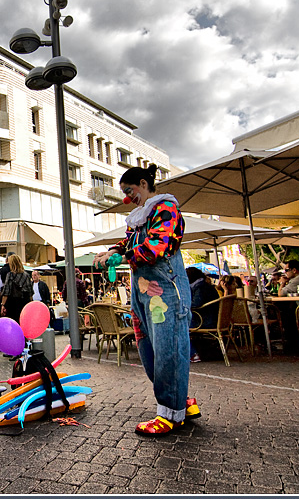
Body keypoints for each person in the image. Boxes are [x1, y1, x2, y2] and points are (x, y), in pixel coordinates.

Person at [93, 163, 197, 436]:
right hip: (143, 295)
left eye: (129, 191)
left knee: (169, 350)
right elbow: (128, 244)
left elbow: (158, 246)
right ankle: (180, 400)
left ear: (142, 183)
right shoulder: (138, 216)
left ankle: (171, 414)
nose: (128, 198)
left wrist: (122, 257)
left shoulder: (166, 208)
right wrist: (110, 252)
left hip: (166, 293)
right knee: (149, 352)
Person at [186, 267, 220, 363]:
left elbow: (196, 304)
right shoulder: (207, 286)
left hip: (203, 321)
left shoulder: (199, 288)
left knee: (180, 326)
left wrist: (183, 304)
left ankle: (192, 353)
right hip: (214, 319)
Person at [0, 254, 33, 324]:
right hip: (24, 302)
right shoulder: (26, 275)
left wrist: (3, 305)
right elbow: (30, 292)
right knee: (24, 323)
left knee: (13, 324)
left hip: (13, 303)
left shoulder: (10, 275)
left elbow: (6, 291)